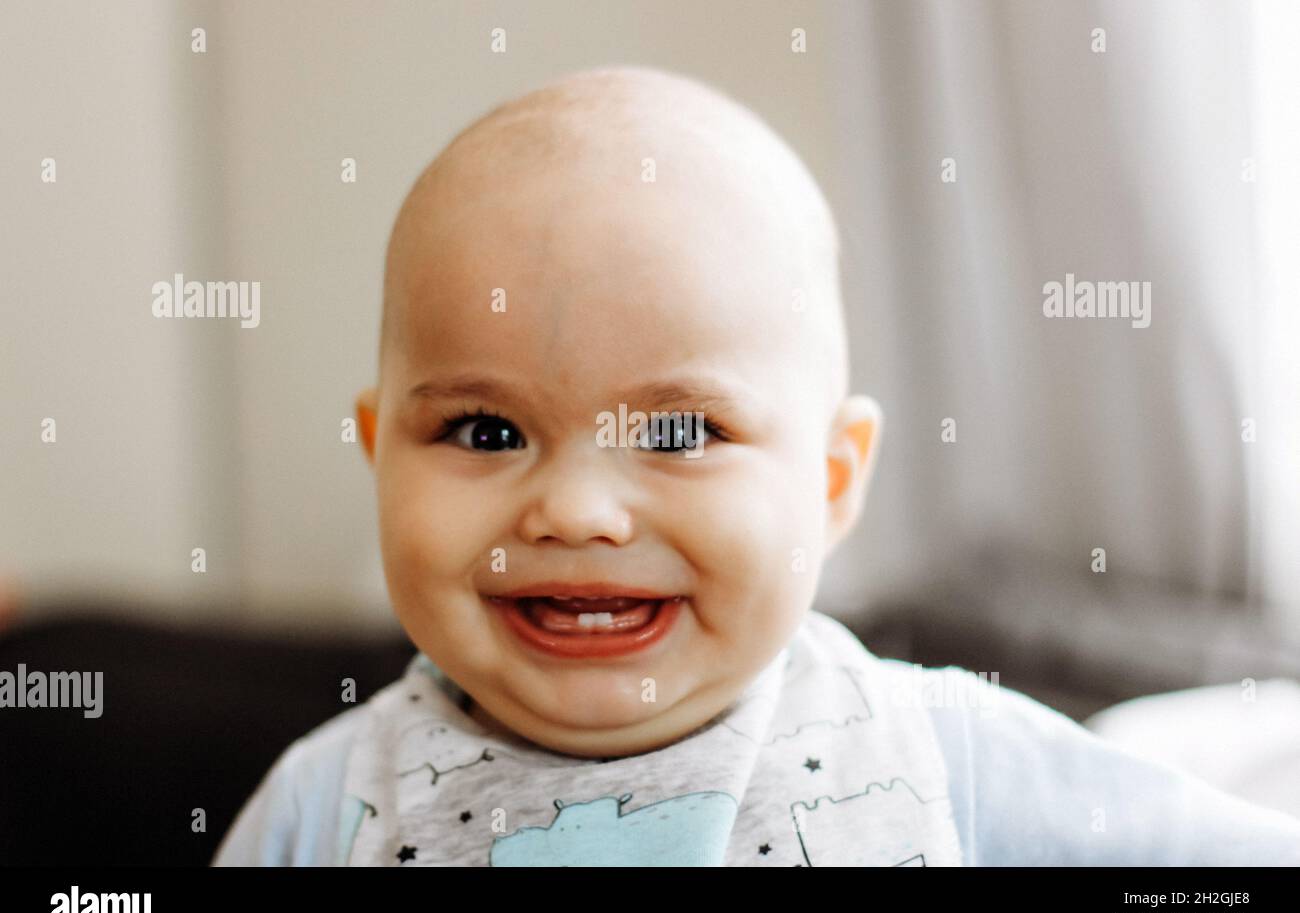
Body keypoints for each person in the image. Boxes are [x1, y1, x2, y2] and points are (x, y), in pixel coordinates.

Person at [213, 65, 1300, 866]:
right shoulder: (324, 806)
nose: (578, 511)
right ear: (378, 452)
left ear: (829, 481)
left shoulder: (945, 757)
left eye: (680, 433)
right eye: (486, 431)